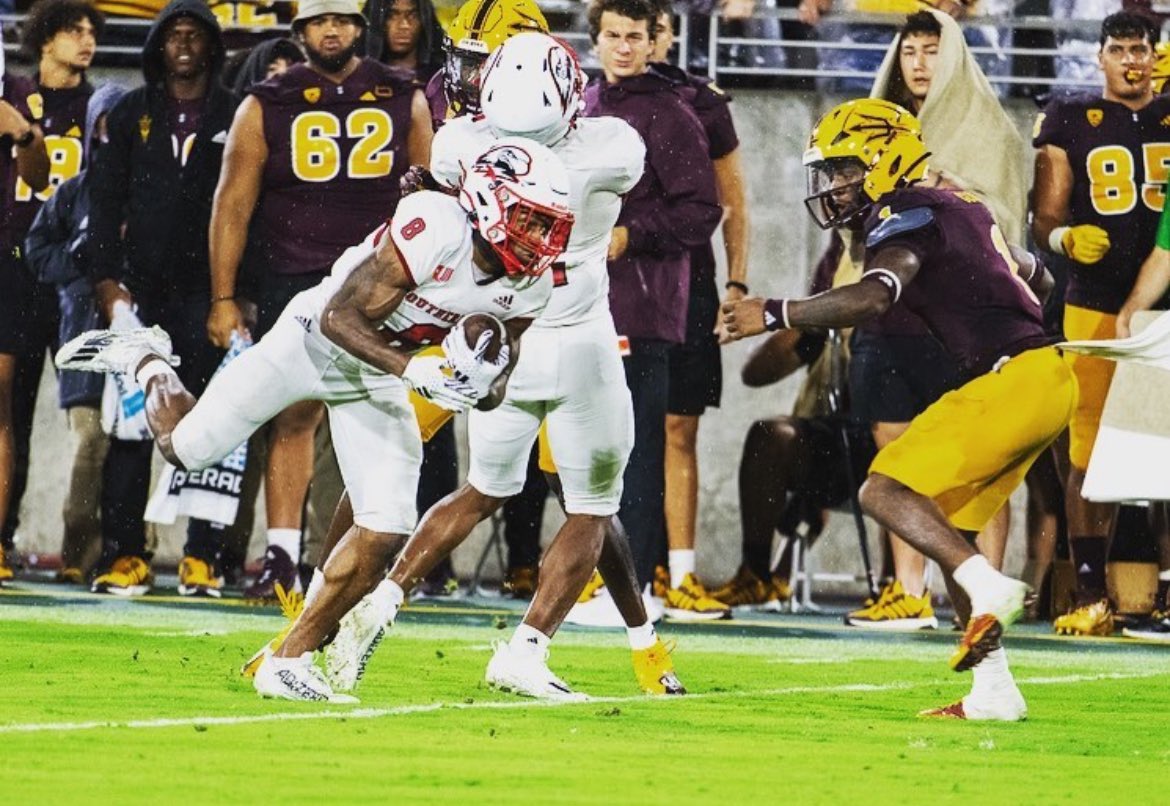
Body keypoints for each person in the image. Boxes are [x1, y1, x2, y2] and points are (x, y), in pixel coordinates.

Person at [58, 136, 574, 703]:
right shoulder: (435, 226)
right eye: (530, 219)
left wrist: (479, 384)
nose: (540, 239)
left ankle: (287, 657)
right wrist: (413, 370)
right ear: (488, 200)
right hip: (311, 342)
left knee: (387, 527)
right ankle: (146, 357)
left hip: (374, 377)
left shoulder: (534, 284)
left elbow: (500, 377)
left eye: (549, 224)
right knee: (186, 447)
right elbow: (337, 317)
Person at [322, 32, 684, 701]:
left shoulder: (462, 142)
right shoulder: (612, 147)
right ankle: (528, 649)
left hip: (492, 338)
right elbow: (628, 175)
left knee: (479, 488)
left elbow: (445, 191)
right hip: (574, 339)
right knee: (592, 507)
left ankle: (380, 597)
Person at [723, 98, 1068, 721]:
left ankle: (986, 582)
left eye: (842, 169)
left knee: (883, 491)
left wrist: (774, 311)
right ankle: (994, 690)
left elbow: (876, 295)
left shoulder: (904, 211)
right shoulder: (960, 205)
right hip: (1042, 376)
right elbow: (1037, 277)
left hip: (1011, 380)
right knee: (953, 530)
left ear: (884, 162)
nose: (832, 186)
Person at [206, 0, 433, 600]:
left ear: (361, 26)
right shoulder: (267, 100)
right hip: (296, 274)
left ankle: (365, 556)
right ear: (300, 30)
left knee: (388, 417)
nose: (331, 30)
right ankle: (282, 557)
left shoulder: (401, 93)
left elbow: (435, 196)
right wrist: (223, 295)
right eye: (318, 21)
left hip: (382, 277)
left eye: (341, 19)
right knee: (294, 415)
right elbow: (231, 203)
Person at [842, 7, 1024, 628]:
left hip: (962, 320)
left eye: (931, 51)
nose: (920, 64)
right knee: (895, 454)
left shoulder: (988, 130)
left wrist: (949, 192)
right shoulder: (871, 128)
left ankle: (981, 594)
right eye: (910, 51)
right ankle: (909, 591)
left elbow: (1005, 226)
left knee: (980, 456)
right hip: (890, 318)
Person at [86, 0, 239, 596]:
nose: (182, 43)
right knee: (130, 428)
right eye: (171, 34)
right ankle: (125, 554)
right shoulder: (130, 112)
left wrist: (238, 296)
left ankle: (204, 554)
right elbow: (103, 201)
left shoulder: (236, 112)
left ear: (211, 48)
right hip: (139, 293)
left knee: (213, 421)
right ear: (155, 47)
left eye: (193, 35)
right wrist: (105, 281)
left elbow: (248, 209)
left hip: (209, 294)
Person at [1032, 11, 1170, 636]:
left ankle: (1164, 593)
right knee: (1087, 452)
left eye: (1140, 49)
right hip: (1091, 300)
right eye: (1118, 49)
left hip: (1164, 307)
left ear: (1156, 54)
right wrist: (1063, 237)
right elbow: (1041, 216)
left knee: (1165, 451)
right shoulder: (1069, 116)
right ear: (1100, 56)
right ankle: (1090, 592)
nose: (1131, 61)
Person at [584, 0, 723, 603]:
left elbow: (702, 210)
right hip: (580, 302)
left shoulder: (670, 113)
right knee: (587, 448)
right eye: (611, 35)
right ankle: (592, 576)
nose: (622, 47)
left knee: (633, 449)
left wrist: (631, 235)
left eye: (633, 36)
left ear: (652, 41)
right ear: (595, 41)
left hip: (642, 306)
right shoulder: (581, 104)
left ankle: (630, 585)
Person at [644, 3, 748, 620]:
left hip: (689, 281)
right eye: (627, 31)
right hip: (620, 282)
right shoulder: (591, 98)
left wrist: (736, 282)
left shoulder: (702, 102)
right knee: (614, 429)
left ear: (670, 31)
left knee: (680, 427)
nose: (642, 43)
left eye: (652, 29)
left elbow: (733, 204)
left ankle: (680, 572)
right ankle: (608, 569)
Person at [4, 0, 100, 580]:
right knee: (8, 410)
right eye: (74, 30)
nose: (86, 41)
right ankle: (4, 535)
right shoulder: (12, 97)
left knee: (87, 416)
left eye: (93, 32)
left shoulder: (101, 104)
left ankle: (83, 551)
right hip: (15, 263)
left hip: (75, 270)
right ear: (44, 39)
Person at [25, 82, 127, 585]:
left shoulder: (149, 191)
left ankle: (129, 552)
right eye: (105, 125)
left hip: (137, 339)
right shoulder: (72, 192)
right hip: (83, 338)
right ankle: (77, 551)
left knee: (132, 446)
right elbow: (36, 250)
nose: (113, 136)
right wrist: (80, 264)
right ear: (91, 130)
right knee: (90, 441)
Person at [0, 25, 52, 584]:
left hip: (1, 254)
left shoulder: (19, 94)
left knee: (0, 403)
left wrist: (23, 134)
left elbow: (40, 179)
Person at [425, 0, 548, 128]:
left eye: (492, 67)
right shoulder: (438, 93)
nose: (474, 80)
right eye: (468, 64)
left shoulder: (546, 105)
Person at [379, 0, 443, 81]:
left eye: (413, 16)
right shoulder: (363, 76)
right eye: (392, 16)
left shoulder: (441, 80)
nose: (404, 25)